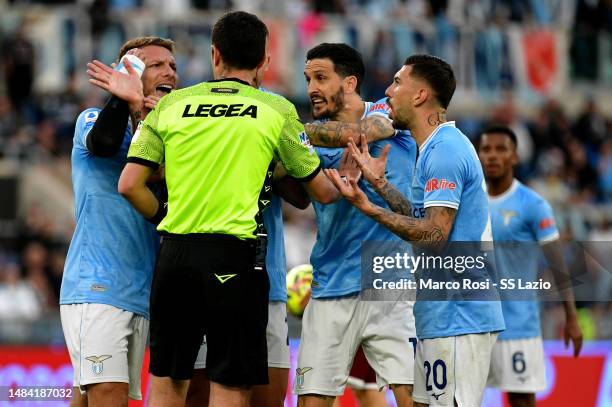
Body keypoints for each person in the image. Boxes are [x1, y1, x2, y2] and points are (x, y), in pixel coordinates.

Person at [118, 11, 340, 407]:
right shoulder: (276, 110)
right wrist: (345, 178)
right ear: (264, 62)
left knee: (168, 382)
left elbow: (129, 185)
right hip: (234, 261)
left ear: (214, 54)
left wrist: (163, 217)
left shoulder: (172, 106)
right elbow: (319, 193)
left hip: (174, 257)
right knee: (230, 384)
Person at [325, 54, 505, 407]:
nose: (388, 92)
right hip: (440, 316)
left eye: (397, 83)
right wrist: (378, 185)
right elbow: (420, 216)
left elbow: (434, 236)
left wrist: (368, 208)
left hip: (459, 317)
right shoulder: (433, 148)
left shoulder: (445, 151)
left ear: (420, 95)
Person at [295, 43, 417, 407]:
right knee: (312, 400)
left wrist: (293, 132)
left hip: (392, 286)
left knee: (418, 398)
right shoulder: (307, 142)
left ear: (349, 82)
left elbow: (371, 128)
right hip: (332, 285)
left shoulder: (386, 113)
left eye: (320, 77)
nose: (311, 88)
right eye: (307, 79)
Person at [60, 36, 177, 407]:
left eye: (173, 66)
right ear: (129, 73)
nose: (169, 72)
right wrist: (123, 98)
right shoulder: (93, 120)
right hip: (97, 285)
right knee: (108, 397)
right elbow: (105, 145)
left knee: (93, 396)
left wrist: (150, 117)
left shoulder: (170, 135)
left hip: (140, 291)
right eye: (155, 65)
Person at [477, 126, 583, 407]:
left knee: (522, 400)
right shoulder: (468, 201)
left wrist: (571, 317)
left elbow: (559, 264)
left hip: (518, 325)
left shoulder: (532, 205)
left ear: (514, 157)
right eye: (487, 149)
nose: (493, 156)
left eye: (501, 149)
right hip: (474, 324)